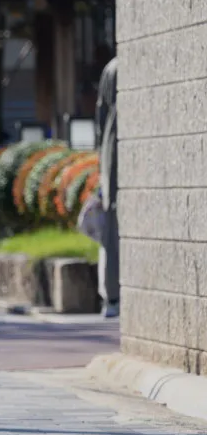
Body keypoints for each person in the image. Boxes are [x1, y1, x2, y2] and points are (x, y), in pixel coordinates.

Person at [95, 57, 119, 319]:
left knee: (111, 225)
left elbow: (101, 118)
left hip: (113, 155)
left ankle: (112, 296)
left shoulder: (112, 67)